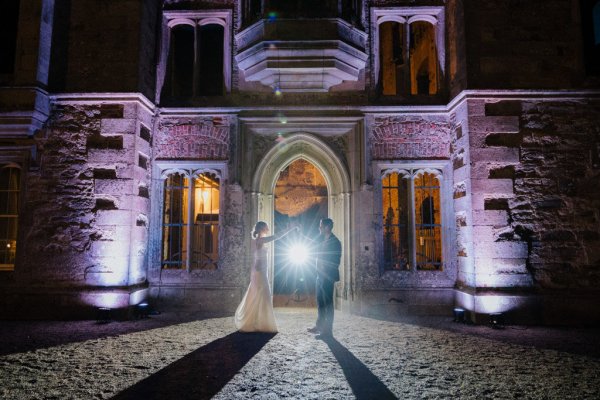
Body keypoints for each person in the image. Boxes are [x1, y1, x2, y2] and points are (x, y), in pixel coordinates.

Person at [235, 221, 297, 332]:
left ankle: (257, 322)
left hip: (257, 270)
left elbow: (253, 255)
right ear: (262, 229)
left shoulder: (255, 241)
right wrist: (289, 230)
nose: (268, 228)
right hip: (259, 270)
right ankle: (261, 323)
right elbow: (276, 237)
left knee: (258, 295)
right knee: (263, 295)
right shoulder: (261, 240)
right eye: (266, 227)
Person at [307, 218, 342, 338]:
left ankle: (328, 331)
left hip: (327, 276)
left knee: (328, 303)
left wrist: (324, 270)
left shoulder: (335, 242)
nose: (319, 228)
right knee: (320, 302)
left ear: (327, 227)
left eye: (320, 226)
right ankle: (319, 326)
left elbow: (335, 261)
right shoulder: (322, 240)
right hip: (319, 276)